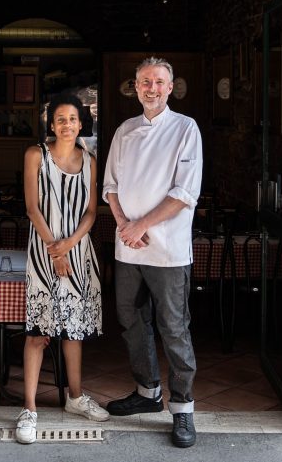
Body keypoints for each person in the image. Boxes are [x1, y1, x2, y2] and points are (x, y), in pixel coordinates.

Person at [102, 57, 203, 448]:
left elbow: (184, 193)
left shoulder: (185, 128)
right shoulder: (125, 130)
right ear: (136, 86)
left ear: (171, 86)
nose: (152, 88)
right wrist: (125, 226)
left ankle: (183, 410)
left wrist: (140, 225)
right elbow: (110, 186)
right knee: (131, 323)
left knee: (174, 329)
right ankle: (147, 393)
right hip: (129, 249)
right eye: (146, 81)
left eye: (159, 82)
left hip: (168, 251)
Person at [14, 92, 109, 444]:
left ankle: (75, 397)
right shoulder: (35, 155)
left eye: (72, 119)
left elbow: (91, 211)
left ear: (81, 124)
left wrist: (69, 246)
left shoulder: (91, 161)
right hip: (43, 252)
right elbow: (31, 207)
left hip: (79, 253)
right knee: (39, 332)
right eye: (60, 119)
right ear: (50, 125)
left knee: (74, 331)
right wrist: (55, 250)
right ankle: (29, 409)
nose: (67, 124)